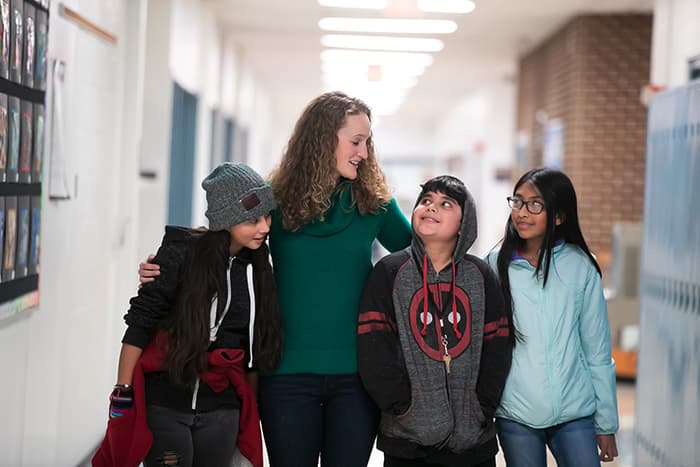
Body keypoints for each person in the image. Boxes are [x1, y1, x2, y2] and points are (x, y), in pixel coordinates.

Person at [138, 91, 413, 467]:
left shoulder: (374, 204)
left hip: (356, 376)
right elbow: (224, 237)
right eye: (356, 141)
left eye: (367, 142)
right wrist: (165, 266)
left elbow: (423, 259)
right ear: (322, 139)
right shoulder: (277, 199)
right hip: (285, 375)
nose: (364, 152)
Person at [93, 162, 284, 467]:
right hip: (165, 403)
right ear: (226, 219)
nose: (265, 227)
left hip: (222, 408)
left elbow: (252, 351)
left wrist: (250, 408)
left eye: (266, 216)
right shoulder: (182, 253)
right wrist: (122, 394)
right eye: (252, 219)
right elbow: (140, 322)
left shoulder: (258, 269)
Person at [357, 175, 513, 467]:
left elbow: (498, 347)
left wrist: (482, 407)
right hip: (407, 442)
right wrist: (403, 407)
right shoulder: (389, 273)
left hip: (473, 443)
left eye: (445, 204)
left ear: (465, 223)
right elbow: (374, 349)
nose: (431, 208)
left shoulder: (480, 277)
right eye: (426, 201)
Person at [486, 167, 619, 467]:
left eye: (535, 204)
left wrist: (606, 423)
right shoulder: (494, 266)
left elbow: (597, 350)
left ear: (558, 216)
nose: (522, 212)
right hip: (516, 412)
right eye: (518, 201)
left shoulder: (581, 266)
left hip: (575, 411)